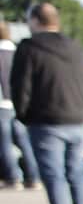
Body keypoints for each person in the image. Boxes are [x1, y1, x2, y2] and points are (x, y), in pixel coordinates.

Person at [9, 2, 83, 204]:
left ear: (35, 20)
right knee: (77, 173)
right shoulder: (75, 47)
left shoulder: (29, 47)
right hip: (77, 119)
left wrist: (23, 115)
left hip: (46, 121)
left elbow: (21, 86)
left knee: (54, 174)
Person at [0, 30, 41, 193]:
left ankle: (14, 177)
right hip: (18, 104)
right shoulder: (17, 51)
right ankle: (33, 176)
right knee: (24, 142)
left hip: (2, 104)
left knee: (5, 143)